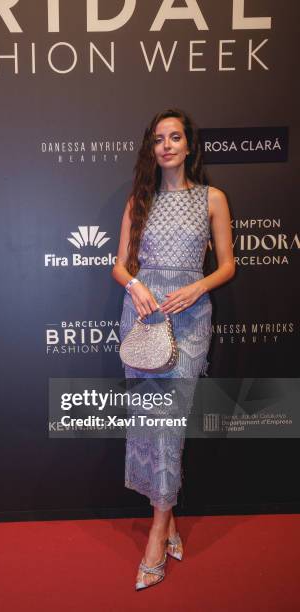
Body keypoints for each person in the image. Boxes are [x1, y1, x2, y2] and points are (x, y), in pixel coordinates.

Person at [111, 108, 235, 590]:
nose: (166, 145)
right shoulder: (137, 202)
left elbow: (228, 265)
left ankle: (157, 534)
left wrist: (197, 288)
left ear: (188, 146)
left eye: (175, 137)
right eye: (159, 138)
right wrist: (135, 285)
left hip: (188, 320)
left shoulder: (212, 199)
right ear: (152, 148)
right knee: (150, 425)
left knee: (170, 426)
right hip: (143, 317)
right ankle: (169, 521)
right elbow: (119, 266)